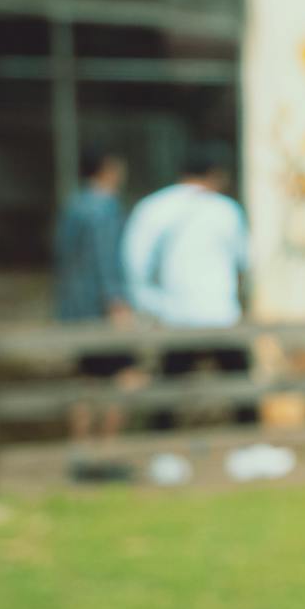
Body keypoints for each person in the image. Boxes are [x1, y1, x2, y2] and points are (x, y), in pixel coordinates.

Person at [122, 143, 251, 423]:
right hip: (220, 312)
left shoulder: (153, 207)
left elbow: (135, 263)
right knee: (242, 386)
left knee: (168, 388)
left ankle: (163, 455)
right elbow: (244, 260)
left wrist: (150, 305)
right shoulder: (225, 210)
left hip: (174, 313)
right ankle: (251, 449)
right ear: (215, 175)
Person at [54, 147, 140, 443]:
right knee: (128, 377)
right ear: (108, 169)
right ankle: (107, 448)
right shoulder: (104, 207)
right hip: (102, 308)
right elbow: (105, 258)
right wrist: (116, 301)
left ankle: (81, 451)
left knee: (86, 381)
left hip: (75, 308)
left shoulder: (74, 205)